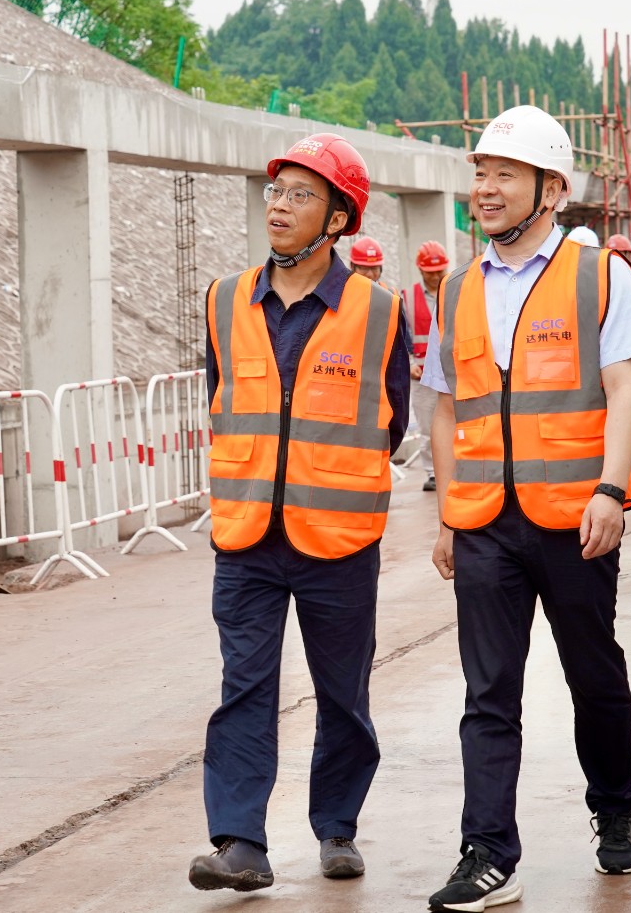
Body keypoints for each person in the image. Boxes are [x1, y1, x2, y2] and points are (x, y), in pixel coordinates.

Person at [422, 106, 631, 912]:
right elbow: (445, 406)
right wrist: (449, 513)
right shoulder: (458, 288)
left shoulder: (600, 276)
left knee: (594, 675)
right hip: (485, 521)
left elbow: (626, 388)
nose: (486, 189)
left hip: (576, 517)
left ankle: (615, 811)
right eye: (481, 174)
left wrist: (611, 490)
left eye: (505, 175)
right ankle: (488, 852)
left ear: (550, 190)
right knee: (488, 691)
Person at [191, 132, 410, 893]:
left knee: (342, 693)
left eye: (300, 195)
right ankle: (240, 842)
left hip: (338, 538)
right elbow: (222, 397)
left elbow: (392, 421)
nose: (279, 207)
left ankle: (337, 826)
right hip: (246, 533)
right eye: (275, 192)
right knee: (244, 688)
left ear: (338, 219)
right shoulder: (225, 299)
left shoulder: (379, 312)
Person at [404, 239, 450, 492]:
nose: (435, 277)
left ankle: (456, 469)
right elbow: (402, 336)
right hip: (421, 374)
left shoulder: (455, 290)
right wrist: (409, 363)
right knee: (427, 426)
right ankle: (433, 474)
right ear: (420, 270)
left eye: (439, 271)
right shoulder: (407, 298)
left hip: (452, 371)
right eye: (430, 272)